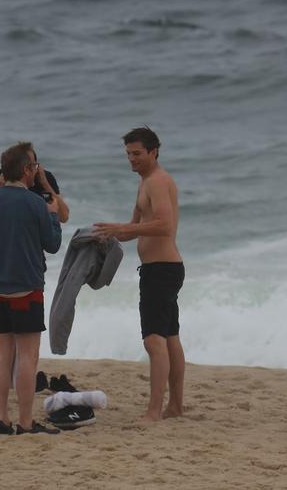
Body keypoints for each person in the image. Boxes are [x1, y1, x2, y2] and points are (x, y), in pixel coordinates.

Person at [0, 141, 62, 435]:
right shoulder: (35, 204)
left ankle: (2, 420)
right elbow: (53, 244)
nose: (35, 171)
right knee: (28, 357)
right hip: (28, 290)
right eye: (32, 166)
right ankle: (25, 421)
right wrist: (54, 214)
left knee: (2, 355)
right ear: (24, 169)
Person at [94, 127, 185, 422]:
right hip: (160, 269)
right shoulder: (145, 182)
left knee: (153, 340)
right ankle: (174, 407)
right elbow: (136, 226)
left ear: (153, 151)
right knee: (169, 338)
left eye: (137, 153)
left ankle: (155, 410)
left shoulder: (158, 181)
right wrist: (111, 233)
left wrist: (124, 229)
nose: (131, 159)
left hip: (162, 269)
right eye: (128, 154)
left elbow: (164, 225)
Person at [0, 147, 69, 223]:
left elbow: (63, 217)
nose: (30, 171)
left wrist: (45, 184)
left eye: (34, 166)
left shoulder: (43, 178)